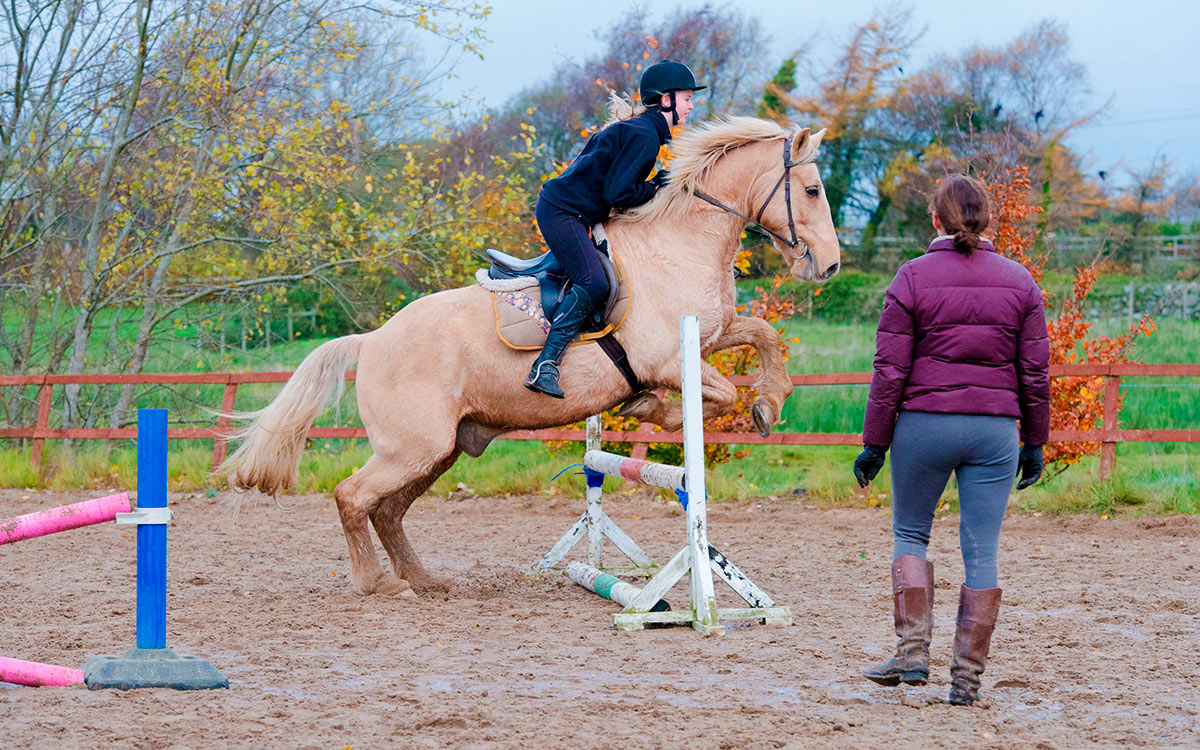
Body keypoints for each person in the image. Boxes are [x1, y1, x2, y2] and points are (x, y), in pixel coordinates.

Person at [853, 173, 1050, 706]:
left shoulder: (912, 276)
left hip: (925, 423)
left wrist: (874, 443)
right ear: (987, 220)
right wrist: (1034, 441)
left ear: (935, 220)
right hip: (994, 432)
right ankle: (965, 682)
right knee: (981, 550)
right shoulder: (1020, 281)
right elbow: (1034, 373)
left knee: (911, 532)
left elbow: (890, 369)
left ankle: (913, 655)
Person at [524, 59, 705, 398]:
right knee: (593, 282)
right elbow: (617, 193)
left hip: (575, 212)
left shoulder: (642, 130)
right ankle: (545, 365)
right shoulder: (645, 136)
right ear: (665, 100)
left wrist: (653, 184)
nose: (692, 105)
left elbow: (608, 187)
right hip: (562, 212)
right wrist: (656, 187)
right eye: (687, 98)